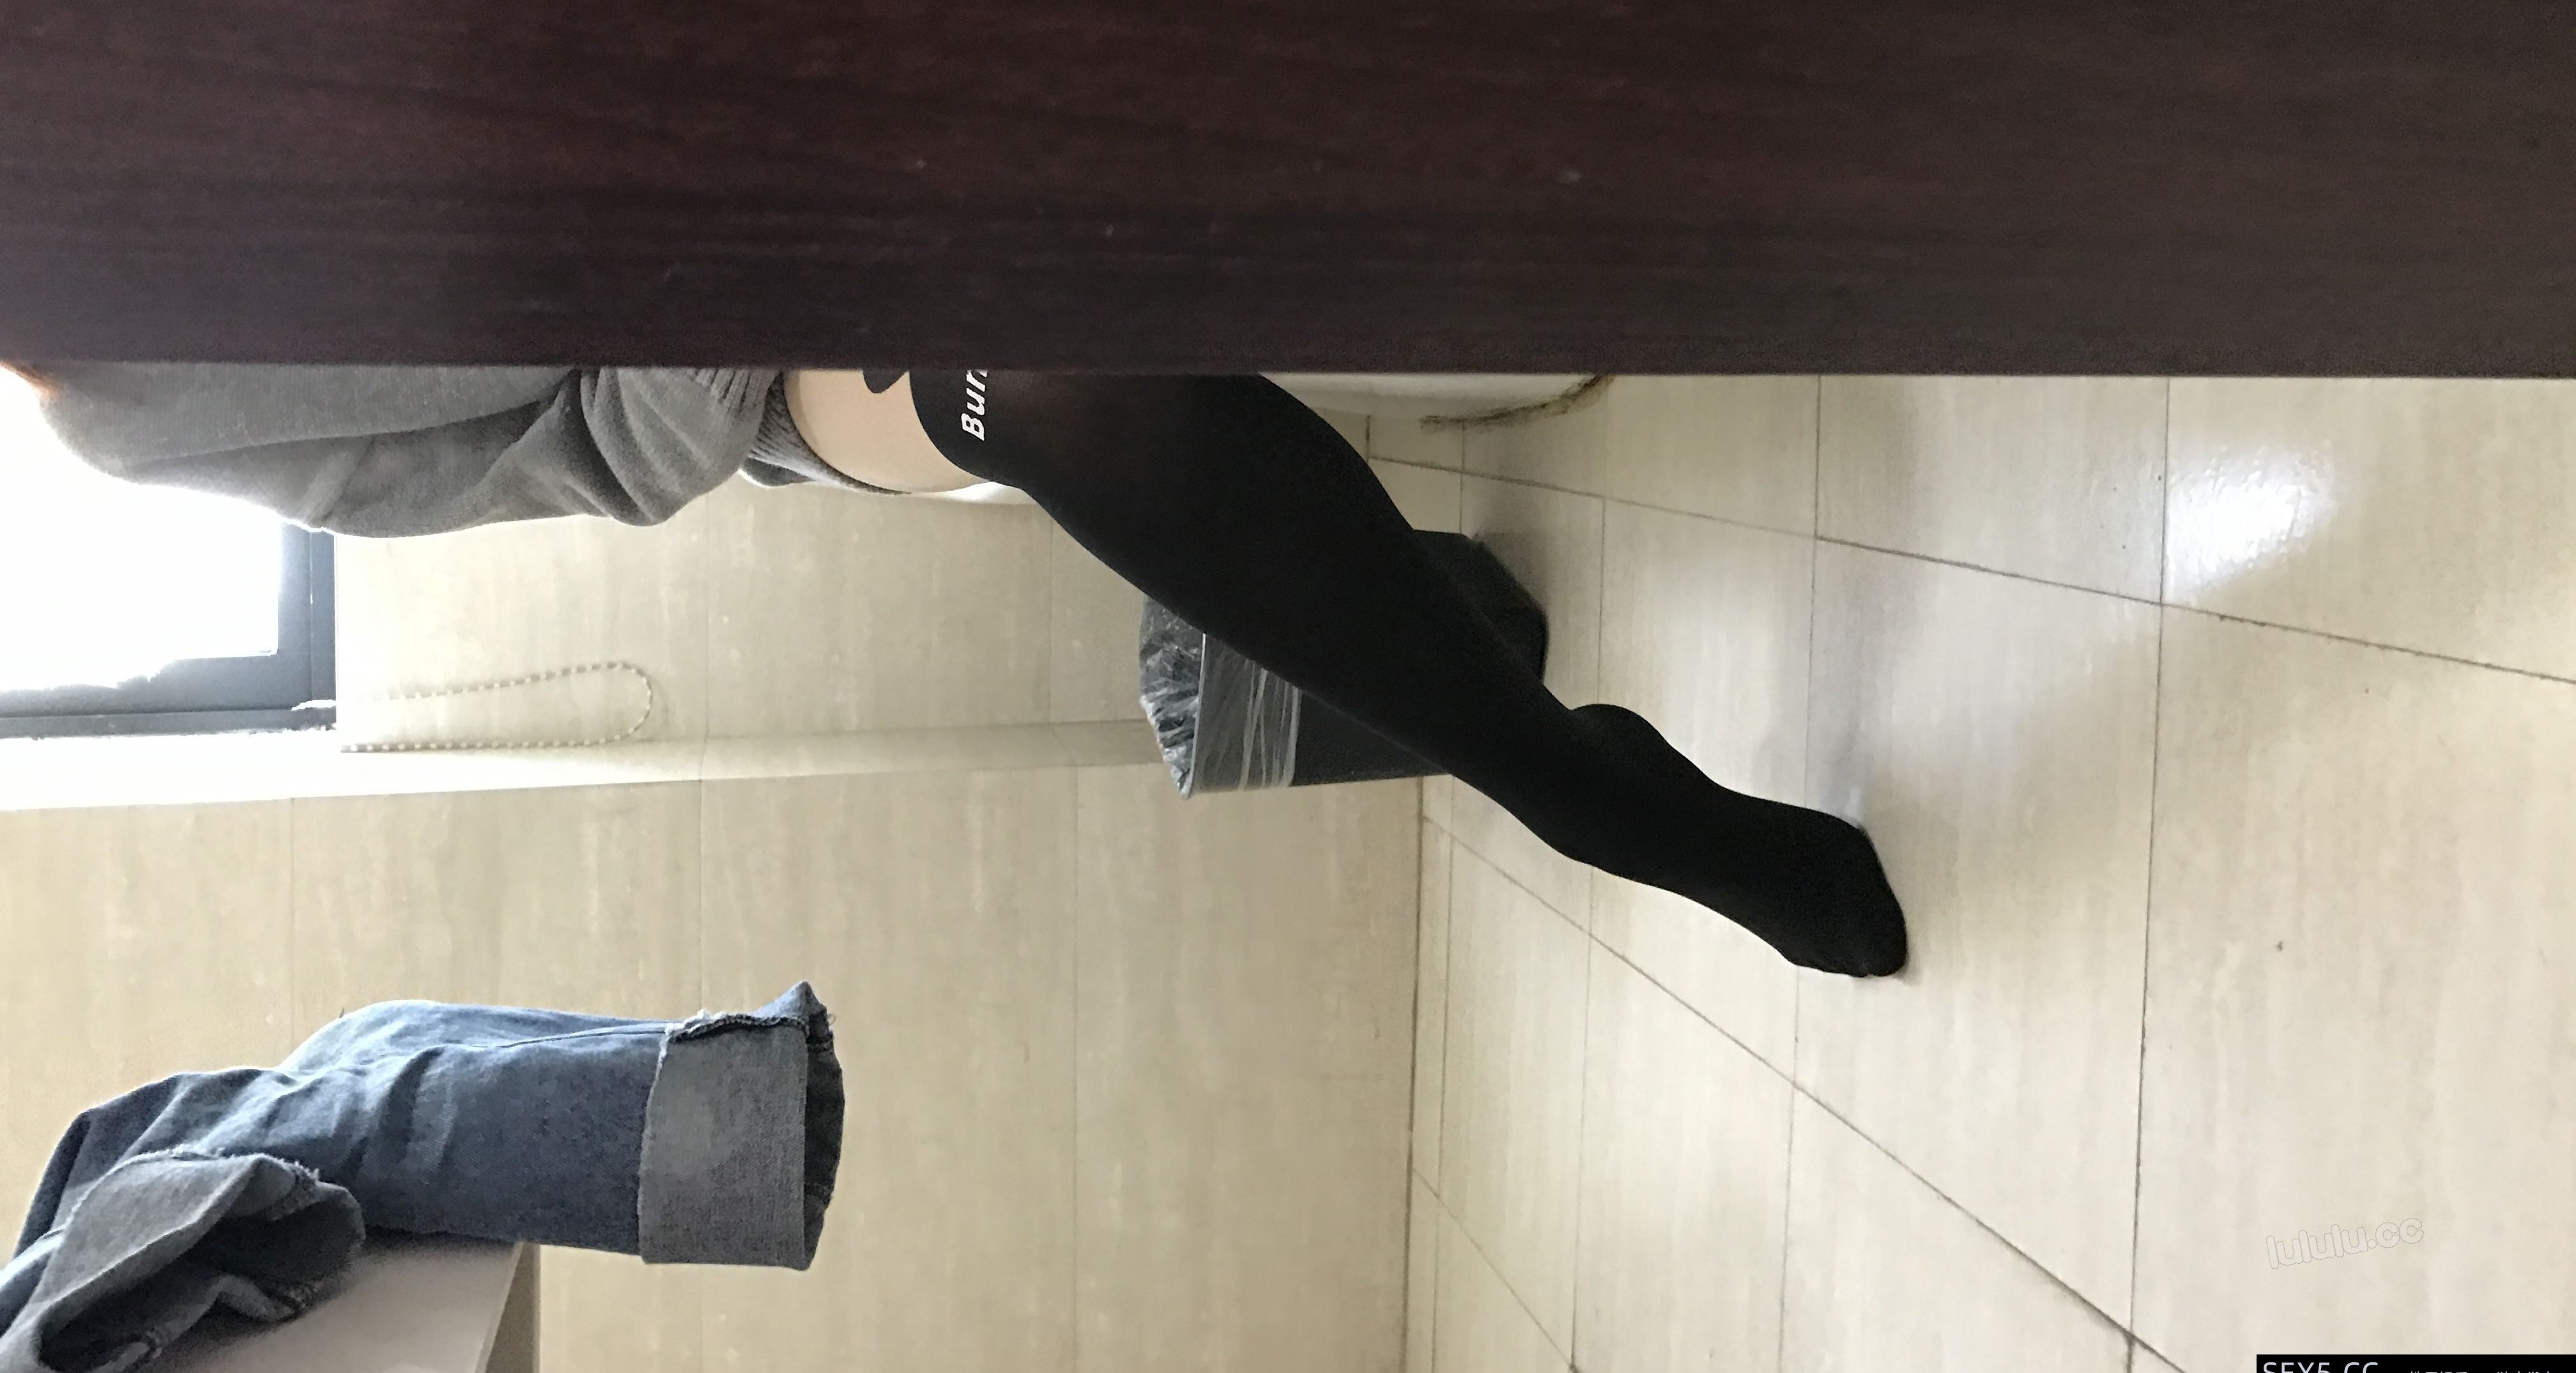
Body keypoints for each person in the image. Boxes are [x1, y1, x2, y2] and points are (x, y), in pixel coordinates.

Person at [12, 363, 1906, 976]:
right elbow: (582, 450)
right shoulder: (117, 403)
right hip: (764, 356)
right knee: (1033, 366)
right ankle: (1569, 785)